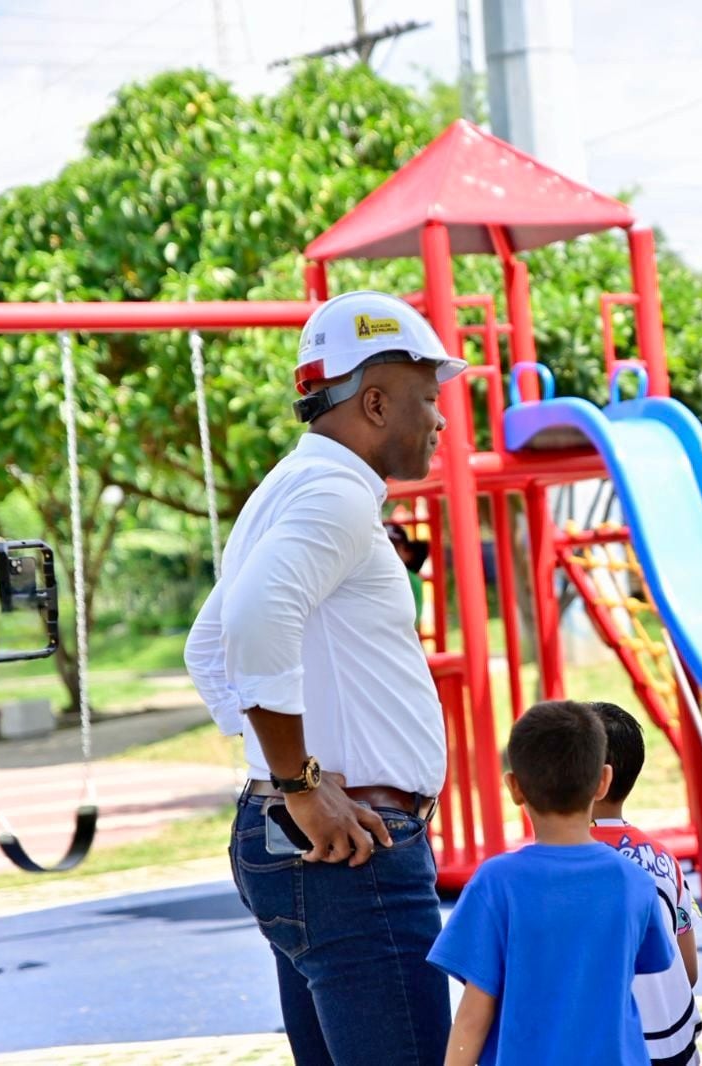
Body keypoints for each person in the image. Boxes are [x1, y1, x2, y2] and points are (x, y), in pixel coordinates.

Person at [184, 290, 467, 1065]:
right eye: (427, 397)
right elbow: (251, 620)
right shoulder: (336, 494)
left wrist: (280, 773)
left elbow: (208, 647)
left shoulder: (288, 486)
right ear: (374, 402)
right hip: (354, 852)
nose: (441, 420)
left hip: (315, 842)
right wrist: (301, 783)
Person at [431, 700, 673, 1066]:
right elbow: (649, 965)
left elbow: (473, 1015)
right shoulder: (634, 882)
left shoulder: (496, 883)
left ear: (514, 787)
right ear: (603, 781)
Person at [587, 701, 702, 1065]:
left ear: (598, 778)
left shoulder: (566, 862)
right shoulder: (667, 860)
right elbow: (689, 970)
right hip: (674, 1042)